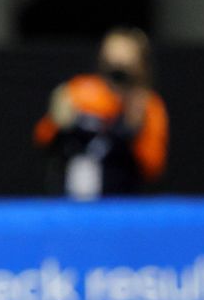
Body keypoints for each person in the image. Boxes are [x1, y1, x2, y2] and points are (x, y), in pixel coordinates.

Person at [33, 27, 168, 200]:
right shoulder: (79, 91)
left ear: (140, 65)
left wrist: (134, 128)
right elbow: (43, 137)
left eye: (125, 62)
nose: (117, 67)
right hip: (72, 199)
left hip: (121, 202)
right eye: (112, 57)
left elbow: (153, 166)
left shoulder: (148, 105)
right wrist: (57, 121)